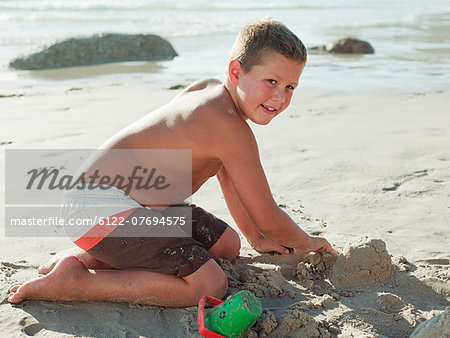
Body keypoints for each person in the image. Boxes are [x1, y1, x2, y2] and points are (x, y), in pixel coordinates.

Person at [8, 17, 336, 307]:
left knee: (227, 244)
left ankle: (80, 259)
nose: (281, 97)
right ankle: (78, 282)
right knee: (209, 284)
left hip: (130, 207)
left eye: (291, 86)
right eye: (272, 82)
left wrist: (253, 237)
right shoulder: (230, 128)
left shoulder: (208, 91)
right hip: (99, 209)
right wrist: (308, 242)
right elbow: (270, 216)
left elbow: (226, 176)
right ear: (236, 71)